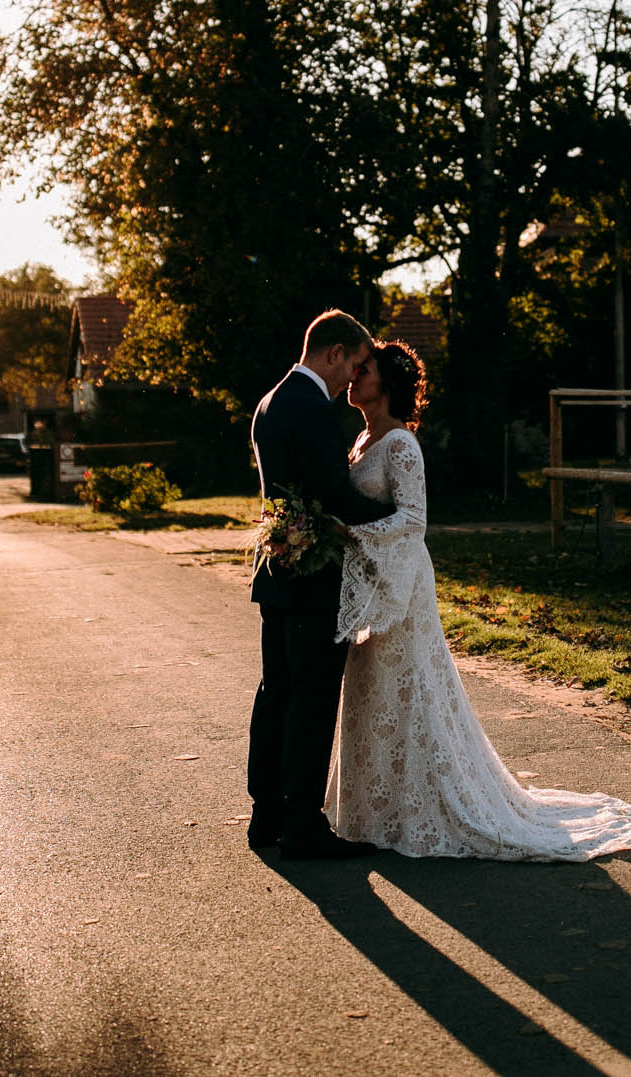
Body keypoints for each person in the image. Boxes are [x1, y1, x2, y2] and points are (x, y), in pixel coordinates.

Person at [327, 341, 631, 861]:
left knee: (409, 684)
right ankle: (377, 810)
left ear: (387, 383)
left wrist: (349, 531)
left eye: (363, 369)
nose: (353, 375)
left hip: (404, 584)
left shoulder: (400, 445)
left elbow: (414, 520)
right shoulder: (361, 439)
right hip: (374, 580)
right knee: (373, 685)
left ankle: (425, 806)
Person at [247, 310, 397, 858]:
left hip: (278, 573)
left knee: (276, 693)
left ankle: (266, 815)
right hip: (313, 579)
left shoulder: (271, 400)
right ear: (333, 353)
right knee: (310, 700)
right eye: (354, 364)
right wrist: (392, 510)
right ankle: (303, 826)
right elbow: (336, 496)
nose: (352, 379)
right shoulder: (311, 407)